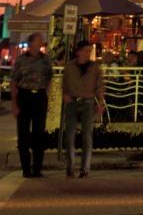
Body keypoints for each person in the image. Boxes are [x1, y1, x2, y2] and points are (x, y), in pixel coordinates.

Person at [10, 32, 53, 178]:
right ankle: (26, 168)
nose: (42, 43)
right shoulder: (22, 60)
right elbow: (14, 81)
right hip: (24, 96)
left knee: (38, 133)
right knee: (23, 134)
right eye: (39, 40)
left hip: (39, 96)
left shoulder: (45, 60)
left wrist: (45, 94)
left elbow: (49, 77)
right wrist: (14, 103)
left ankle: (37, 168)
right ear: (32, 43)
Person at [62, 40, 105, 178]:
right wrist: (65, 94)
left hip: (88, 102)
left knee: (87, 135)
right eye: (86, 51)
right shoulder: (70, 66)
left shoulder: (95, 67)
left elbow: (100, 87)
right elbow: (64, 84)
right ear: (78, 52)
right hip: (73, 102)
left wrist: (101, 103)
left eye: (89, 51)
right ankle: (70, 166)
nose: (88, 54)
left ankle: (85, 168)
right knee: (69, 135)